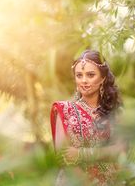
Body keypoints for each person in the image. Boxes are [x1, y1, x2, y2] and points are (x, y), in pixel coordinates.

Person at [50, 49, 124, 185]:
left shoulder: (114, 112)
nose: (84, 81)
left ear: (102, 78)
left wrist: (81, 154)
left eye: (90, 75)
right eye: (79, 75)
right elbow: (64, 157)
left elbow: (120, 149)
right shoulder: (65, 111)